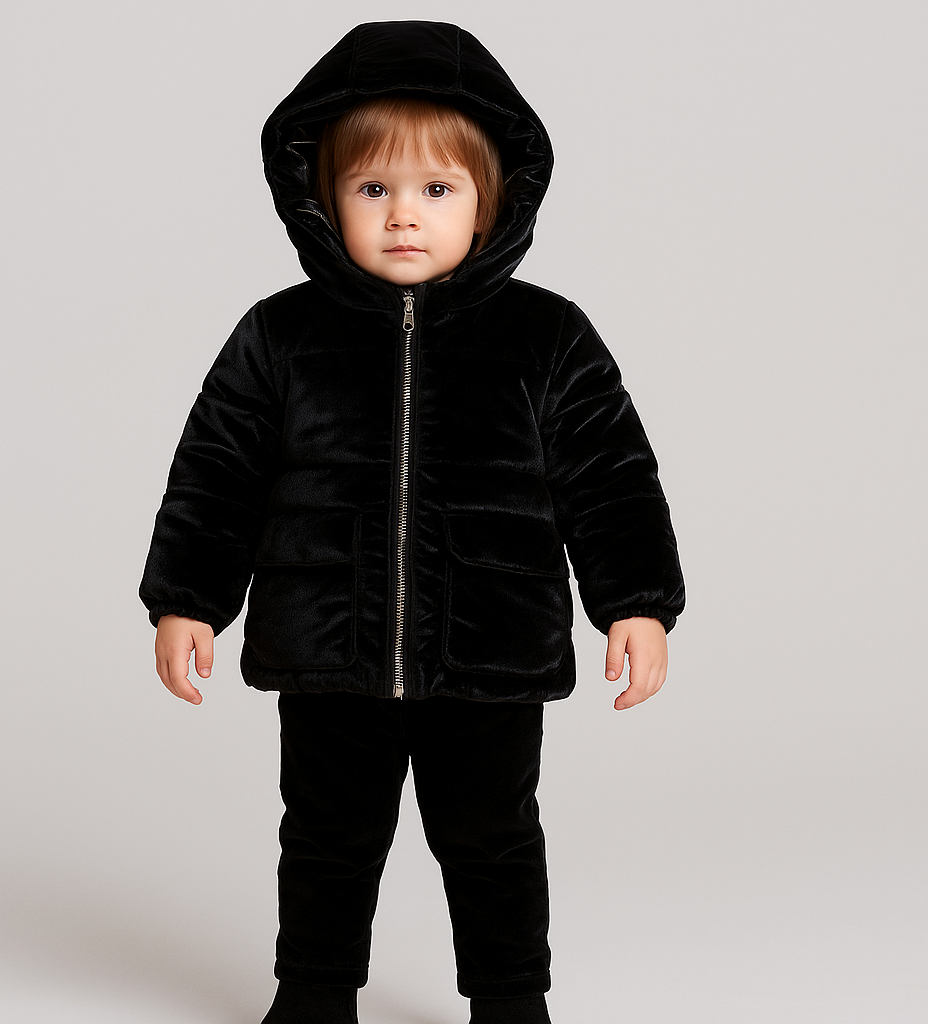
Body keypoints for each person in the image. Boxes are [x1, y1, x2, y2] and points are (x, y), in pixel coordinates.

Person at [139, 20, 686, 1024]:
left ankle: (511, 1000)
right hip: (328, 654)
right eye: (371, 188)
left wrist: (636, 604)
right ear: (320, 199)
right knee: (324, 835)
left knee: (492, 837)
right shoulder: (279, 336)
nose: (402, 214)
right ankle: (312, 993)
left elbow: (610, 477)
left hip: (489, 651)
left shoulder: (546, 336)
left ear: (490, 202)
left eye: (437, 188)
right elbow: (216, 474)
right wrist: (186, 599)